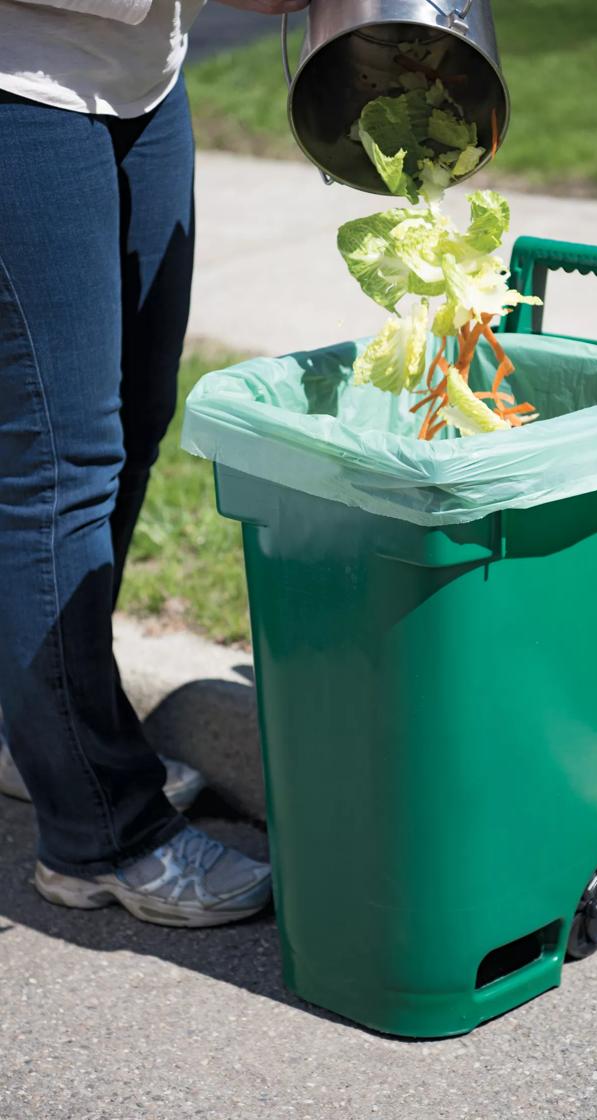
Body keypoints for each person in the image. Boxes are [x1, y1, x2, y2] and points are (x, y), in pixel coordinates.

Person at [0, 0, 308, 927]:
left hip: (140, 76)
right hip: (21, 80)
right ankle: (101, 832)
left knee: (135, 420)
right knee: (59, 468)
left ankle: (41, 735)